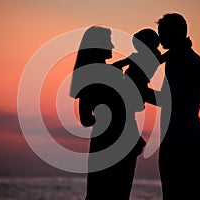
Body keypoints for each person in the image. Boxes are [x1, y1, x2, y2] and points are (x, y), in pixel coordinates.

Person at [70, 26, 146, 200]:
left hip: (101, 143)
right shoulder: (109, 75)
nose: (112, 45)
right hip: (121, 143)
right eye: (108, 41)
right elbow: (136, 105)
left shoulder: (89, 75)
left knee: (98, 193)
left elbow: (86, 119)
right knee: (118, 194)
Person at [144, 13, 200, 199]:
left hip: (182, 140)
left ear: (174, 34)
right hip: (180, 137)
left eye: (162, 33)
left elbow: (172, 101)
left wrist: (141, 92)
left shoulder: (184, 60)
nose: (159, 38)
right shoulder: (178, 57)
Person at [112, 28, 162, 108]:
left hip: (139, 84)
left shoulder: (154, 57)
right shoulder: (136, 56)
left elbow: (164, 57)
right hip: (129, 82)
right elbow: (119, 63)